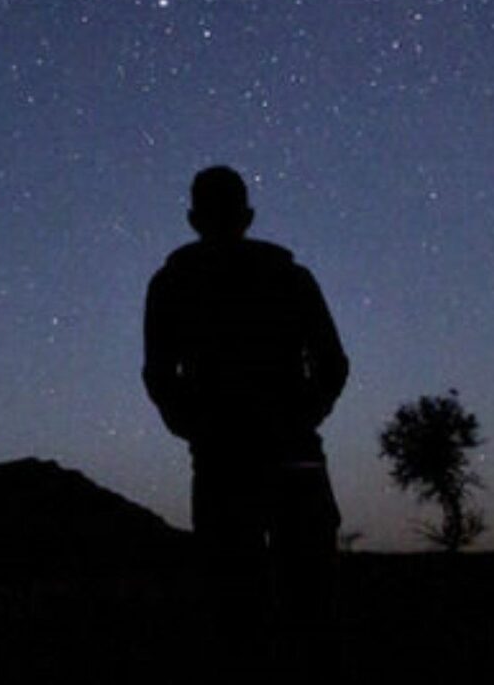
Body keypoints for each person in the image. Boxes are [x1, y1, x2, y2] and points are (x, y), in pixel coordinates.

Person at [143, 165, 347, 669]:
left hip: (223, 458)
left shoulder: (172, 283)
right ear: (248, 215)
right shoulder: (289, 278)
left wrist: (195, 426)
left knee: (236, 601)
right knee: (309, 594)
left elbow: (159, 375)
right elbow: (333, 363)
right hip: (287, 452)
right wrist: (303, 418)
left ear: (193, 218)